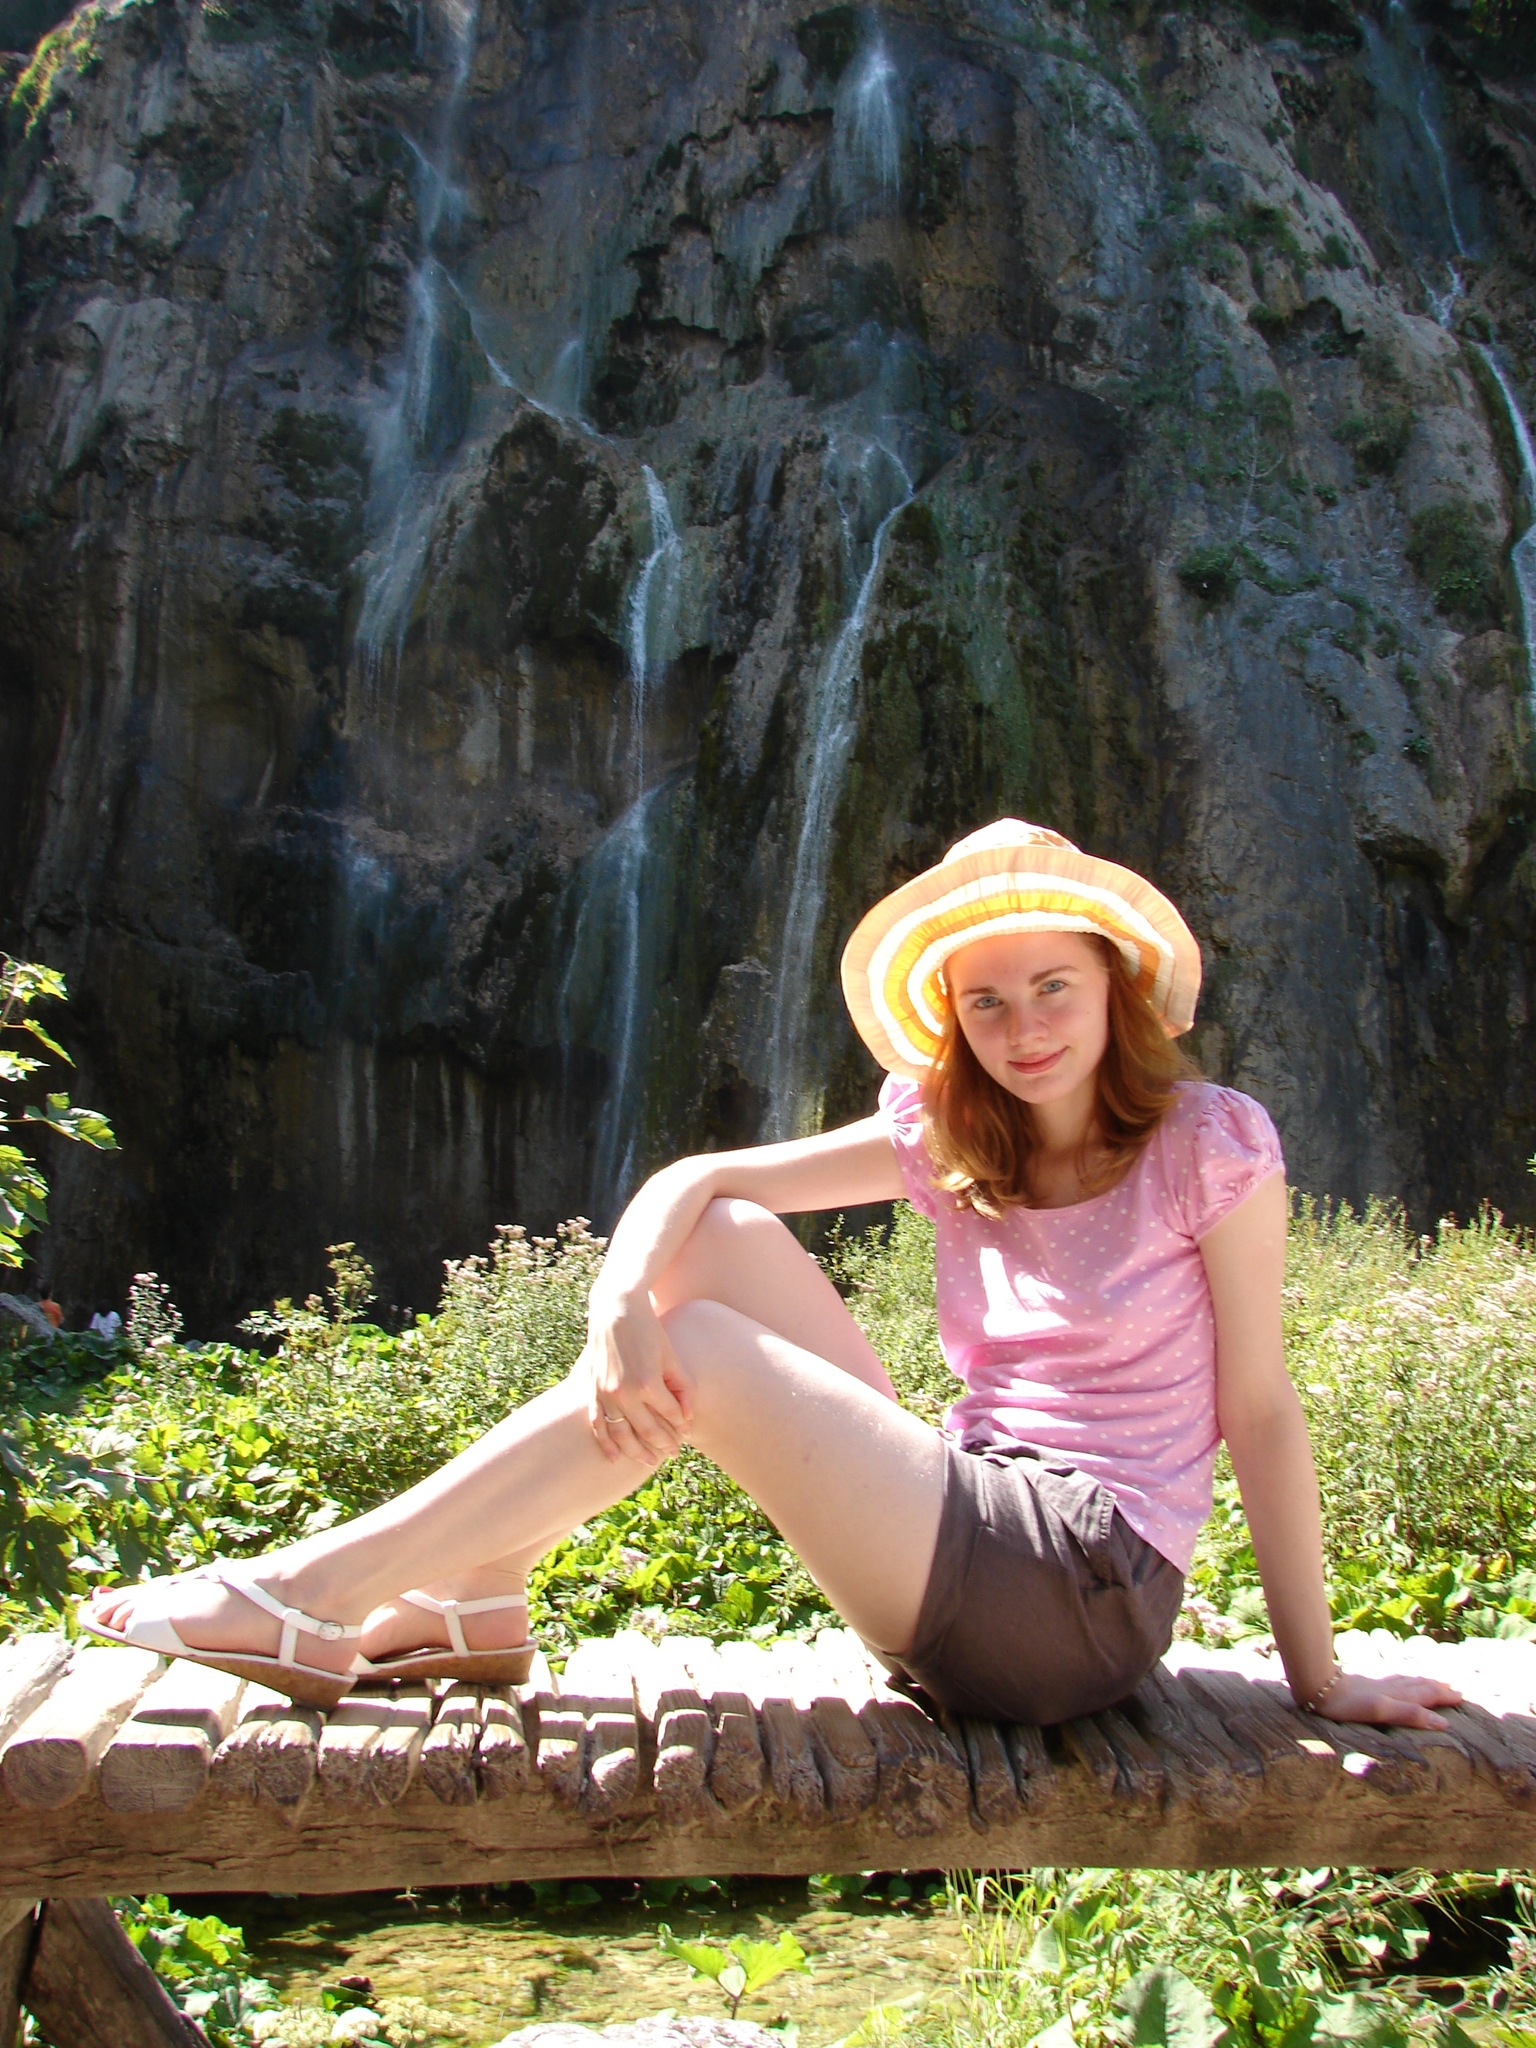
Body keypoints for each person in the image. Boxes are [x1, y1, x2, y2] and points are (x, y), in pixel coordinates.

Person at [83, 821, 1459, 1731]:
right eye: (985, 1001)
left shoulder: (1209, 1147)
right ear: (952, 1021)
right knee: (719, 1242)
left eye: (1054, 986)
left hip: (1083, 1593)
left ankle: (312, 1598)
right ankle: (481, 1584)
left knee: (709, 1354)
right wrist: (616, 1300)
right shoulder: (950, 1133)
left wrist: (1319, 1677)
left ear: (1113, 986)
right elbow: (701, 1180)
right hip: (969, 1517)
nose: (1024, 1026)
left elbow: (1260, 1410)